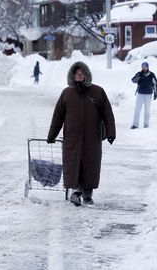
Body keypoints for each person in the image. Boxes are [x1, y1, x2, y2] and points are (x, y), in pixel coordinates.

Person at [47, 61, 116, 206]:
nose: (79, 76)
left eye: (82, 74)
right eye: (77, 74)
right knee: (74, 164)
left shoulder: (97, 92)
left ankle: (88, 195)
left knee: (90, 165)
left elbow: (107, 114)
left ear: (87, 75)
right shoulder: (67, 93)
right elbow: (58, 115)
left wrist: (111, 133)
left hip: (92, 138)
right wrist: (52, 135)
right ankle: (76, 192)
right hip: (72, 138)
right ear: (72, 76)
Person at [131, 61, 157, 129]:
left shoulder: (151, 74)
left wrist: (155, 93)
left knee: (147, 110)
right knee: (137, 109)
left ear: (147, 67)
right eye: (143, 67)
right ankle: (135, 124)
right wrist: (138, 76)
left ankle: (146, 124)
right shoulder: (139, 74)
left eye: (145, 67)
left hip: (148, 94)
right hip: (140, 94)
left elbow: (155, 84)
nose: (144, 68)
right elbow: (133, 80)